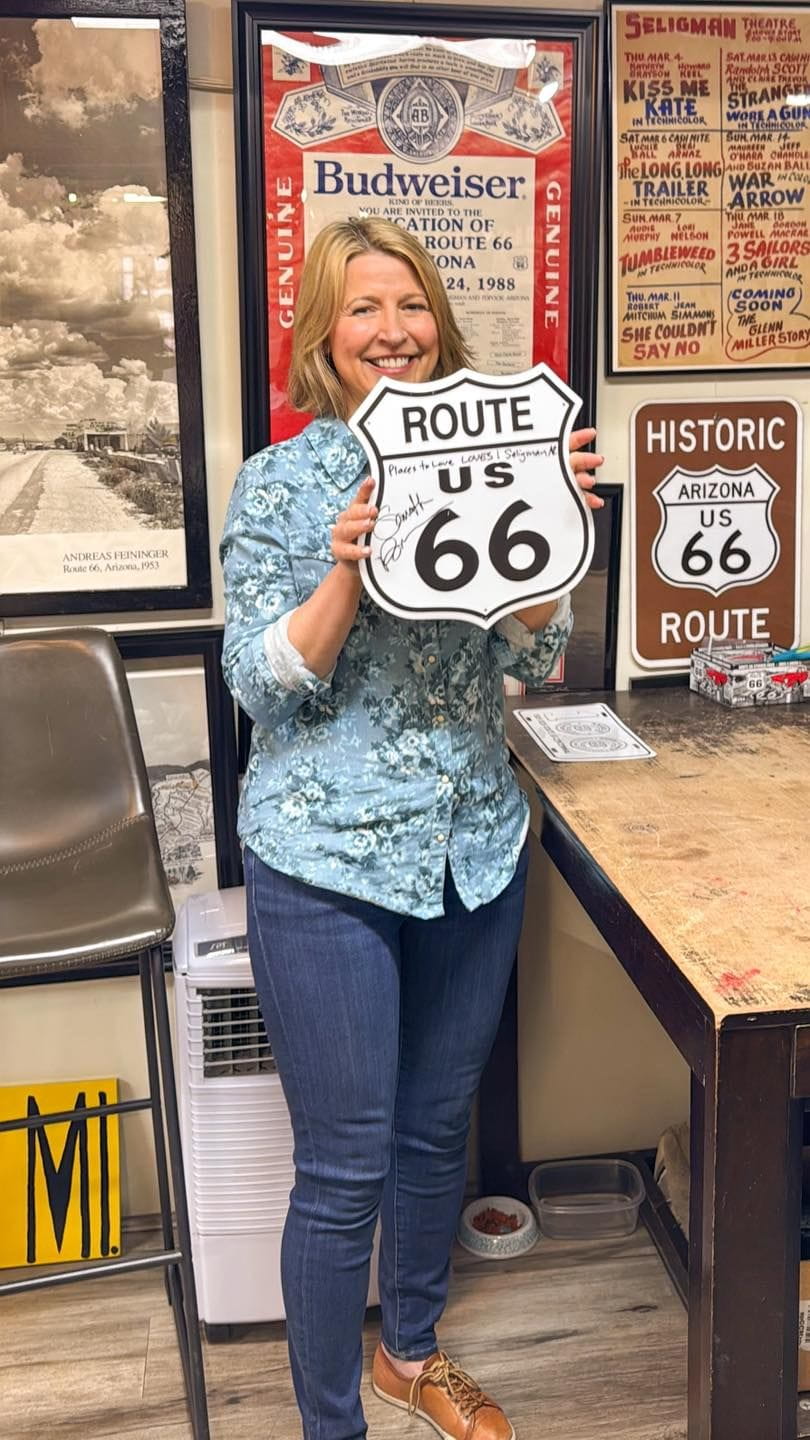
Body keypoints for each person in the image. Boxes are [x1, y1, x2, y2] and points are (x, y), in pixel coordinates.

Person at [221, 217, 603, 1440]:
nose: (393, 331)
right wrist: (346, 564)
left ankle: (412, 1354)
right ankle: (329, 1423)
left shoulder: (494, 455)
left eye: (412, 305)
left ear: (439, 321)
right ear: (322, 335)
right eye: (363, 308)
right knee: (344, 1168)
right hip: (325, 860)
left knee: (439, 1131)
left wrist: (551, 523)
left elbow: (536, 656)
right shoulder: (279, 481)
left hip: (473, 848)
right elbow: (260, 687)